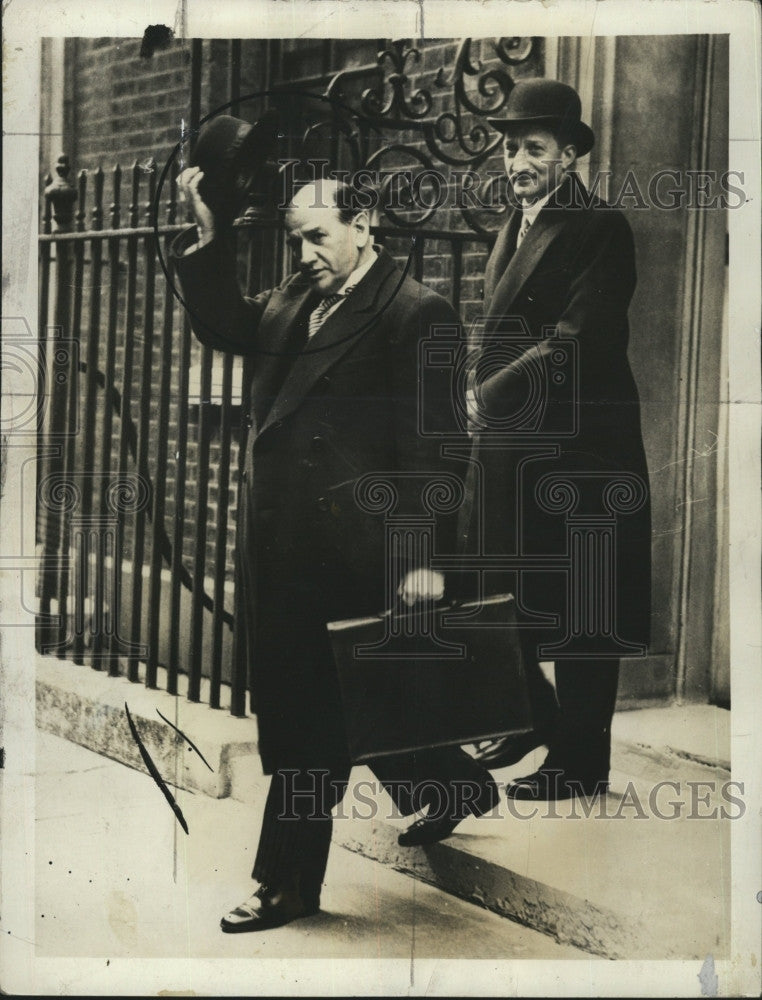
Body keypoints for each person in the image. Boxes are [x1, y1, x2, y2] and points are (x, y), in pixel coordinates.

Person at [171, 173, 499, 932]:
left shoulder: (419, 313)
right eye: (296, 239)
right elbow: (224, 324)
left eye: (318, 236)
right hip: (282, 544)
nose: (305, 252)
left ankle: (285, 885)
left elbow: (439, 451)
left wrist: (421, 559)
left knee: (305, 722)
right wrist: (212, 237)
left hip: (359, 552)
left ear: (366, 223)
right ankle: (451, 784)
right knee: (352, 701)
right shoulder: (296, 297)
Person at [465, 79, 652, 800]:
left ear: (570, 153)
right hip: (523, 445)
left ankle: (580, 764)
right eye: (509, 147)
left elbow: (574, 343)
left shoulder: (598, 227)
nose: (516, 160)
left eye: (533, 147)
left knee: (584, 610)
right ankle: (525, 717)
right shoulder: (514, 225)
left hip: (584, 450)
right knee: (506, 589)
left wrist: (488, 393)